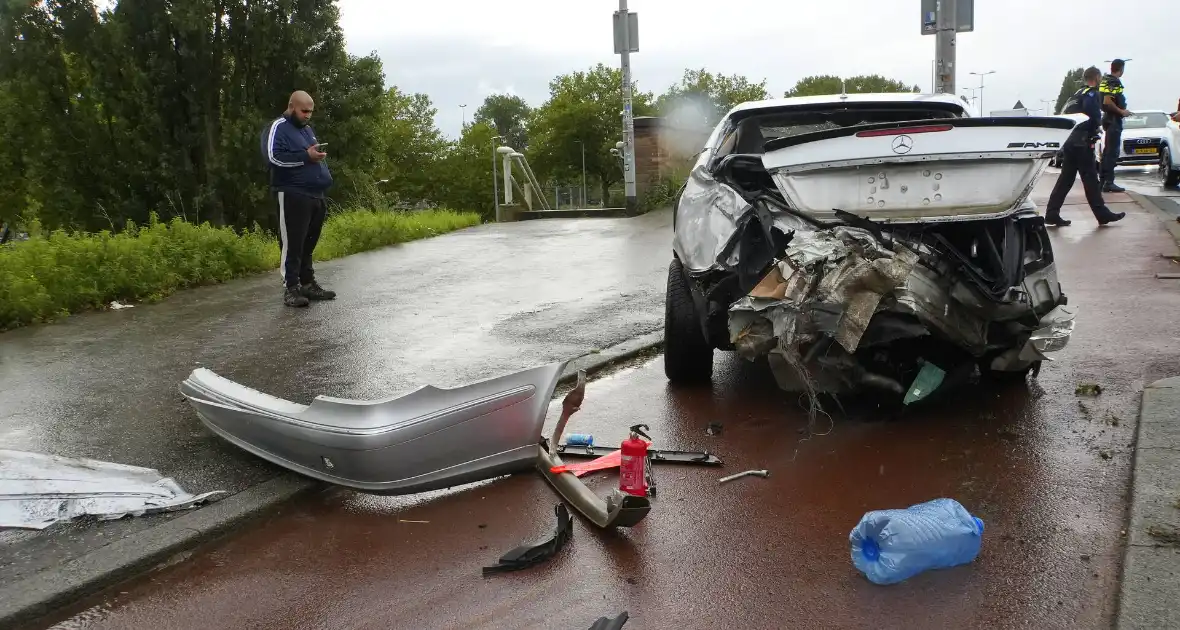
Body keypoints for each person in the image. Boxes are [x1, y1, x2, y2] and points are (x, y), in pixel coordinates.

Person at [260, 90, 336, 307]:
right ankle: (291, 288)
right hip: (292, 192)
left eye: (310, 112)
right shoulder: (277, 128)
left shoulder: (307, 130)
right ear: (291, 106)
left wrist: (315, 157)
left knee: (308, 243)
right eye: (304, 111)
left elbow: (310, 156)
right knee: (292, 243)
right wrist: (306, 156)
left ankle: (307, 283)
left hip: (315, 194)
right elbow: (273, 157)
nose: (308, 115)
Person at [1042, 66, 1125, 228]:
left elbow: (1064, 114)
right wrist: (1097, 125)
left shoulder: (1074, 95)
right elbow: (1092, 113)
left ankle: (1052, 213)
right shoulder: (1091, 93)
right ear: (1097, 78)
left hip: (1070, 141)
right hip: (1082, 142)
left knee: (1065, 180)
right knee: (1091, 179)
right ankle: (1102, 214)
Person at [1098, 59, 1132, 192]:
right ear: (1121, 69)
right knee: (1112, 152)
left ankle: (1103, 181)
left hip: (1108, 118)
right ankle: (1108, 182)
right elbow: (1108, 101)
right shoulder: (1113, 81)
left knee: (1107, 152)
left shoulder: (1105, 80)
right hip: (1113, 119)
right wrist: (1122, 111)